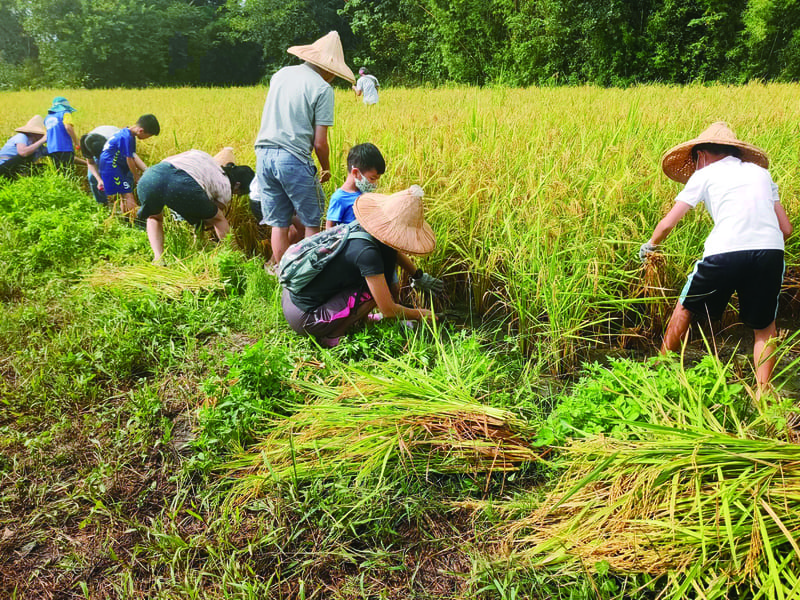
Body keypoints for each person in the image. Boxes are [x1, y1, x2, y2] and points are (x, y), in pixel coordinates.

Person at [640, 122, 792, 389]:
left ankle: (657, 372)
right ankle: (763, 396)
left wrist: (650, 246)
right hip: (770, 251)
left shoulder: (705, 174)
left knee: (685, 307)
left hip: (724, 250)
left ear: (701, 155)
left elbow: (668, 223)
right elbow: (786, 229)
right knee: (765, 328)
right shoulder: (761, 174)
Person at [282, 186, 437, 347]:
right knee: (374, 291)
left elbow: (395, 253)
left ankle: (357, 319)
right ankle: (333, 336)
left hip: (291, 295)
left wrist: (417, 275)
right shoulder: (367, 252)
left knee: (368, 283)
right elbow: (388, 309)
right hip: (304, 317)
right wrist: (420, 314)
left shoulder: (362, 227)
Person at [254, 31, 355, 264]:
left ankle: (282, 276)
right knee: (313, 221)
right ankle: (306, 281)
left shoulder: (281, 74)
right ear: (329, 68)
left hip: (263, 155)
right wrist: (326, 168)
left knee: (279, 223)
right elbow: (320, 142)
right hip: (293, 158)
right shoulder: (322, 89)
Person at [325, 143, 443, 295]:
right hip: (359, 256)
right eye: (372, 178)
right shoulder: (339, 198)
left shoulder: (368, 199)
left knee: (393, 287)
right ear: (356, 172)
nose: (374, 184)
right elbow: (330, 230)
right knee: (369, 294)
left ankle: (393, 316)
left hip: (380, 252)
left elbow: (391, 244)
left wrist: (418, 275)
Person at [136, 147, 254, 262]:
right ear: (238, 185)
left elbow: (170, 159)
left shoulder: (203, 156)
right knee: (218, 218)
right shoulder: (226, 186)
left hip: (150, 176)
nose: (235, 194)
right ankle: (234, 256)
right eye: (239, 192)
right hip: (180, 183)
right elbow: (211, 217)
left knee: (154, 217)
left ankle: (158, 258)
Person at [98, 114, 160, 214]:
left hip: (112, 165)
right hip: (111, 166)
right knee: (127, 194)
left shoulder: (127, 133)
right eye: (148, 136)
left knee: (124, 194)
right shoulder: (126, 137)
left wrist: (146, 170)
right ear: (141, 131)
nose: (146, 138)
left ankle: (127, 220)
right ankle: (137, 221)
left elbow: (133, 155)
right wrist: (136, 177)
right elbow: (129, 159)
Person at [79, 126, 120, 204]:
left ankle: (124, 200)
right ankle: (101, 204)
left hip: (117, 152)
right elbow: (91, 163)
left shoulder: (117, 141)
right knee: (92, 177)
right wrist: (99, 180)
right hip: (100, 149)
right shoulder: (85, 142)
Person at [0, 115, 48, 179]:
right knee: (25, 156)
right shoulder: (22, 136)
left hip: (13, 168)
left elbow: (52, 152)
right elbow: (23, 152)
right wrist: (42, 140)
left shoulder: (38, 146)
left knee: (42, 167)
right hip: (3, 166)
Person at [44, 96, 80, 171]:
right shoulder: (65, 113)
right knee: (68, 171)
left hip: (51, 149)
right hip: (64, 147)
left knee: (58, 171)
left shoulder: (47, 118)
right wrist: (77, 142)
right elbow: (68, 127)